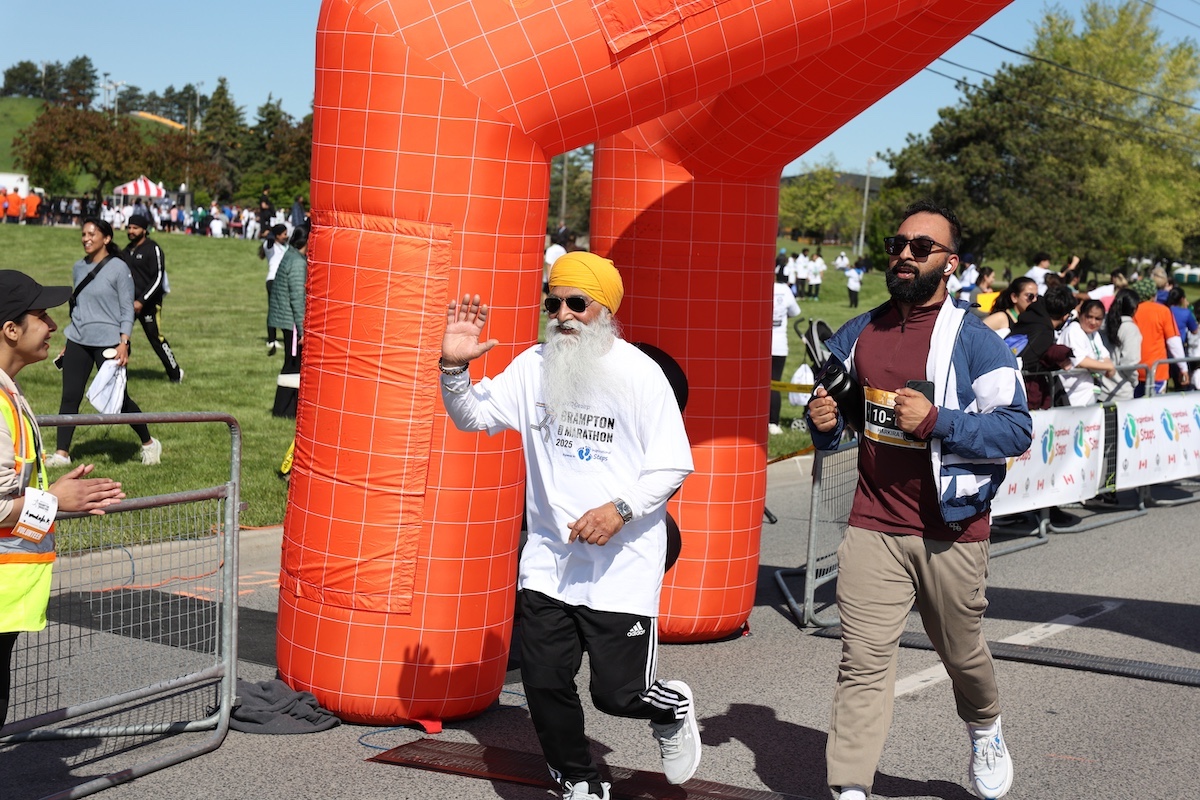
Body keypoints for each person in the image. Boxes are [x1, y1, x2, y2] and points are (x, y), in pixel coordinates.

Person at [439, 251, 700, 800]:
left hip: (621, 566)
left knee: (618, 696)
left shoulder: (640, 374)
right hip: (548, 561)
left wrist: (619, 510)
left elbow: (673, 464)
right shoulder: (533, 366)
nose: (563, 315)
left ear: (606, 309)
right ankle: (579, 779)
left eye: (577, 303)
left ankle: (670, 709)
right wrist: (454, 369)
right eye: (553, 303)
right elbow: (473, 416)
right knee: (544, 681)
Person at [806, 200, 1031, 800]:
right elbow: (835, 410)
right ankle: (850, 787)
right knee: (862, 661)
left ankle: (984, 726)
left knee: (960, 652)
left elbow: (1016, 430)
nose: (905, 254)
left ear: (950, 263)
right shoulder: (859, 332)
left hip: (950, 528)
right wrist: (823, 423)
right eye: (897, 244)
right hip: (873, 522)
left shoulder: (977, 342)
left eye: (922, 247)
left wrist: (937, 421)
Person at [0, 270, 126, 729]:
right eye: (41, 315)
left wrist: (54, 498)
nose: (53, 325)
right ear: (11, 329)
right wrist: (54, 500)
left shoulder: (9, 393)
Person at [46, 218, 162, 468]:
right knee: (70, 396)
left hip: (110, 342)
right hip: (78, 339)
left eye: (92, 234)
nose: (86, 239)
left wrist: (124, 342)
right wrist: (68, 341)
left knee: (120, 400)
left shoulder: (119, 268)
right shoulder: (79, 267)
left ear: (106, 238)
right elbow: (78, 307)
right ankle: (62, 454)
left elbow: (127, 309)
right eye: (83, 234)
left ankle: (149, 443)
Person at [123, 214, 183, 383]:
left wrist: (142, 300)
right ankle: (120, 373)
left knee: (155, 338)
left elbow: (158, 278)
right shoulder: (126, 251)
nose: (131, 231)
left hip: (149, 304)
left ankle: (175, 373)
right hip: (128, 304)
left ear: (144, 230)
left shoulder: (153, 249)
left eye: (135, 228)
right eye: (129, 227)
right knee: (121, 338)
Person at [1008, 285, 1078, 410]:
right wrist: (1052, 364)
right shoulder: (1044, 332)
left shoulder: (1031, 316)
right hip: (1019, 394)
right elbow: (1029, 362)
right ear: (1065, 316)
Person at [268, 227, 308, 418]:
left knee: (292, 365)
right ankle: (283, 409)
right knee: (292, 366)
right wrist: (302, 331)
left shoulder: (290, 256)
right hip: (292, 321)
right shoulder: (298, 263)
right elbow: (297, 298)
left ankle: (287, 408)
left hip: (285, 318)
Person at [1131, 277, 1187, 395]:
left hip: (1132, 370)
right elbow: (1174, 342)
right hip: (1156, 371)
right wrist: (1183, 368)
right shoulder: (1163, 311)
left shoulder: (1131, 310)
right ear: (1153, 294)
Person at [1055, 299, 1115, 406]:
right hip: (1071, 396)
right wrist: (1108, 367)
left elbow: (1104, 356)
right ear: (1079, 314)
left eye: (1098, 319)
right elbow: (1080, 361)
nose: (1093, 322)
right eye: (1089, 317)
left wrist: (1109, 366)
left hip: (1089, 394)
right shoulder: (1073, 331)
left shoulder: (1094, 334)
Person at [770, 264, 801, 435]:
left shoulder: (766, 286)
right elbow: (796, 311)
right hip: (779, 344)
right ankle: (773, 422)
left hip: (761, 345)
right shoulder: (786, 291)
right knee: (775, 382)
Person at [1099, 288, 1142, 402]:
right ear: (1134, 308)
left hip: (1100, 388)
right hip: (1120, 391)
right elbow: (1129, 362)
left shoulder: (1102, 323)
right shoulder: (1130, 329)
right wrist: (1134, 381)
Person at [260, 224, 289, 355]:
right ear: (277, 235)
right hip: (273, 280)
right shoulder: (269, 246)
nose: (286, 236)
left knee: (282, 309)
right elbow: (269, 241)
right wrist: (270, 233)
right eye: (284, 234)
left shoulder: (284, 246)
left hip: (282, 280)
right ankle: (271, 339)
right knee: (273, 309)